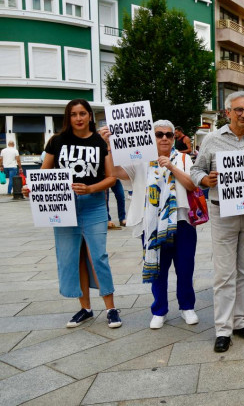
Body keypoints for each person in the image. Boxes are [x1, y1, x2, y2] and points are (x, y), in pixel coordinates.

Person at [24, 99, 121, 328]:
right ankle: (85, 308)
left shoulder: (100, 142)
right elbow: (43, 173)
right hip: (64, 206)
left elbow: (111, 178)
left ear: (90, 116)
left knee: (97, 256)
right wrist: (32, 188)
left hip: (94, 204)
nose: (78, 118)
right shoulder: (57, 141)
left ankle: (111, 308)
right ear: (68, 117)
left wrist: (90, 188)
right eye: (74, 114)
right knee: (73, 257)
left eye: (83, 113)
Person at [190, 91, 244, 353]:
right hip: (222, 211)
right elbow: (196, 169)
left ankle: (241, 321)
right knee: (224, 273)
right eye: (238, 110)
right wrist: (205, 181)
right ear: (228, 112)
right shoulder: (213, 140)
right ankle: (223, 329)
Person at [105, 120, 200, 329]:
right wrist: (109, 147)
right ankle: (159, 310)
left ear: (174, 138)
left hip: (182, 222)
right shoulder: (139, 161)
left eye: (169, 134)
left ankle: (187, 307)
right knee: (157, 268)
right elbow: (114, 172)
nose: (164, 138)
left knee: (185, 267)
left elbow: (192, 184)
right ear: (151, 137)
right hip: (151, 225)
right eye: (159, 134)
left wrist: (172, 166)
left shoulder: (184, 158)